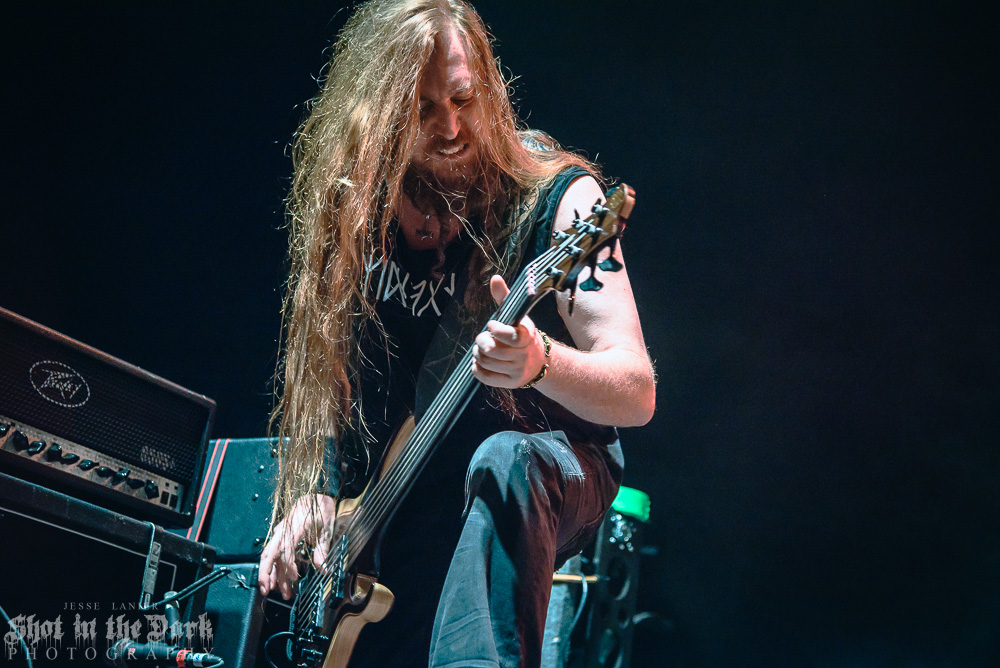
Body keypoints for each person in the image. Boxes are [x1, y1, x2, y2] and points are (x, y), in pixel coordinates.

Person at [257, 1, 655, 666]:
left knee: (505, 460)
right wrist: (316, 492)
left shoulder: (560, 202)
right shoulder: (359, 203)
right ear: (377, 112)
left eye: (464, 99)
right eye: (421, 108)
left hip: (549, 469)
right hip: (411, 487)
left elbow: (636, 392)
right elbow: (329, 371)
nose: (450, 126)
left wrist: (540, 362)